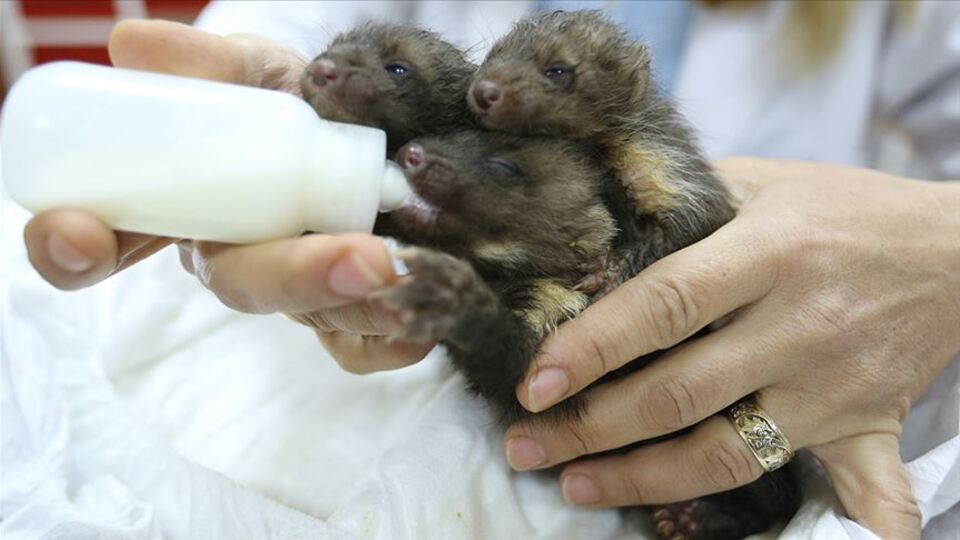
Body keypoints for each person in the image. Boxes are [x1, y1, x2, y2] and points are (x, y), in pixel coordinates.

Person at [18, 2, 960, 538]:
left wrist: (941, 249)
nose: (494, 92)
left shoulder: (641, 147)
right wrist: (255, 118)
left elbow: (675, 211)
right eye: (493, 78)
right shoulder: (448, 115)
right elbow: (299, 51)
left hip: (841, 394)